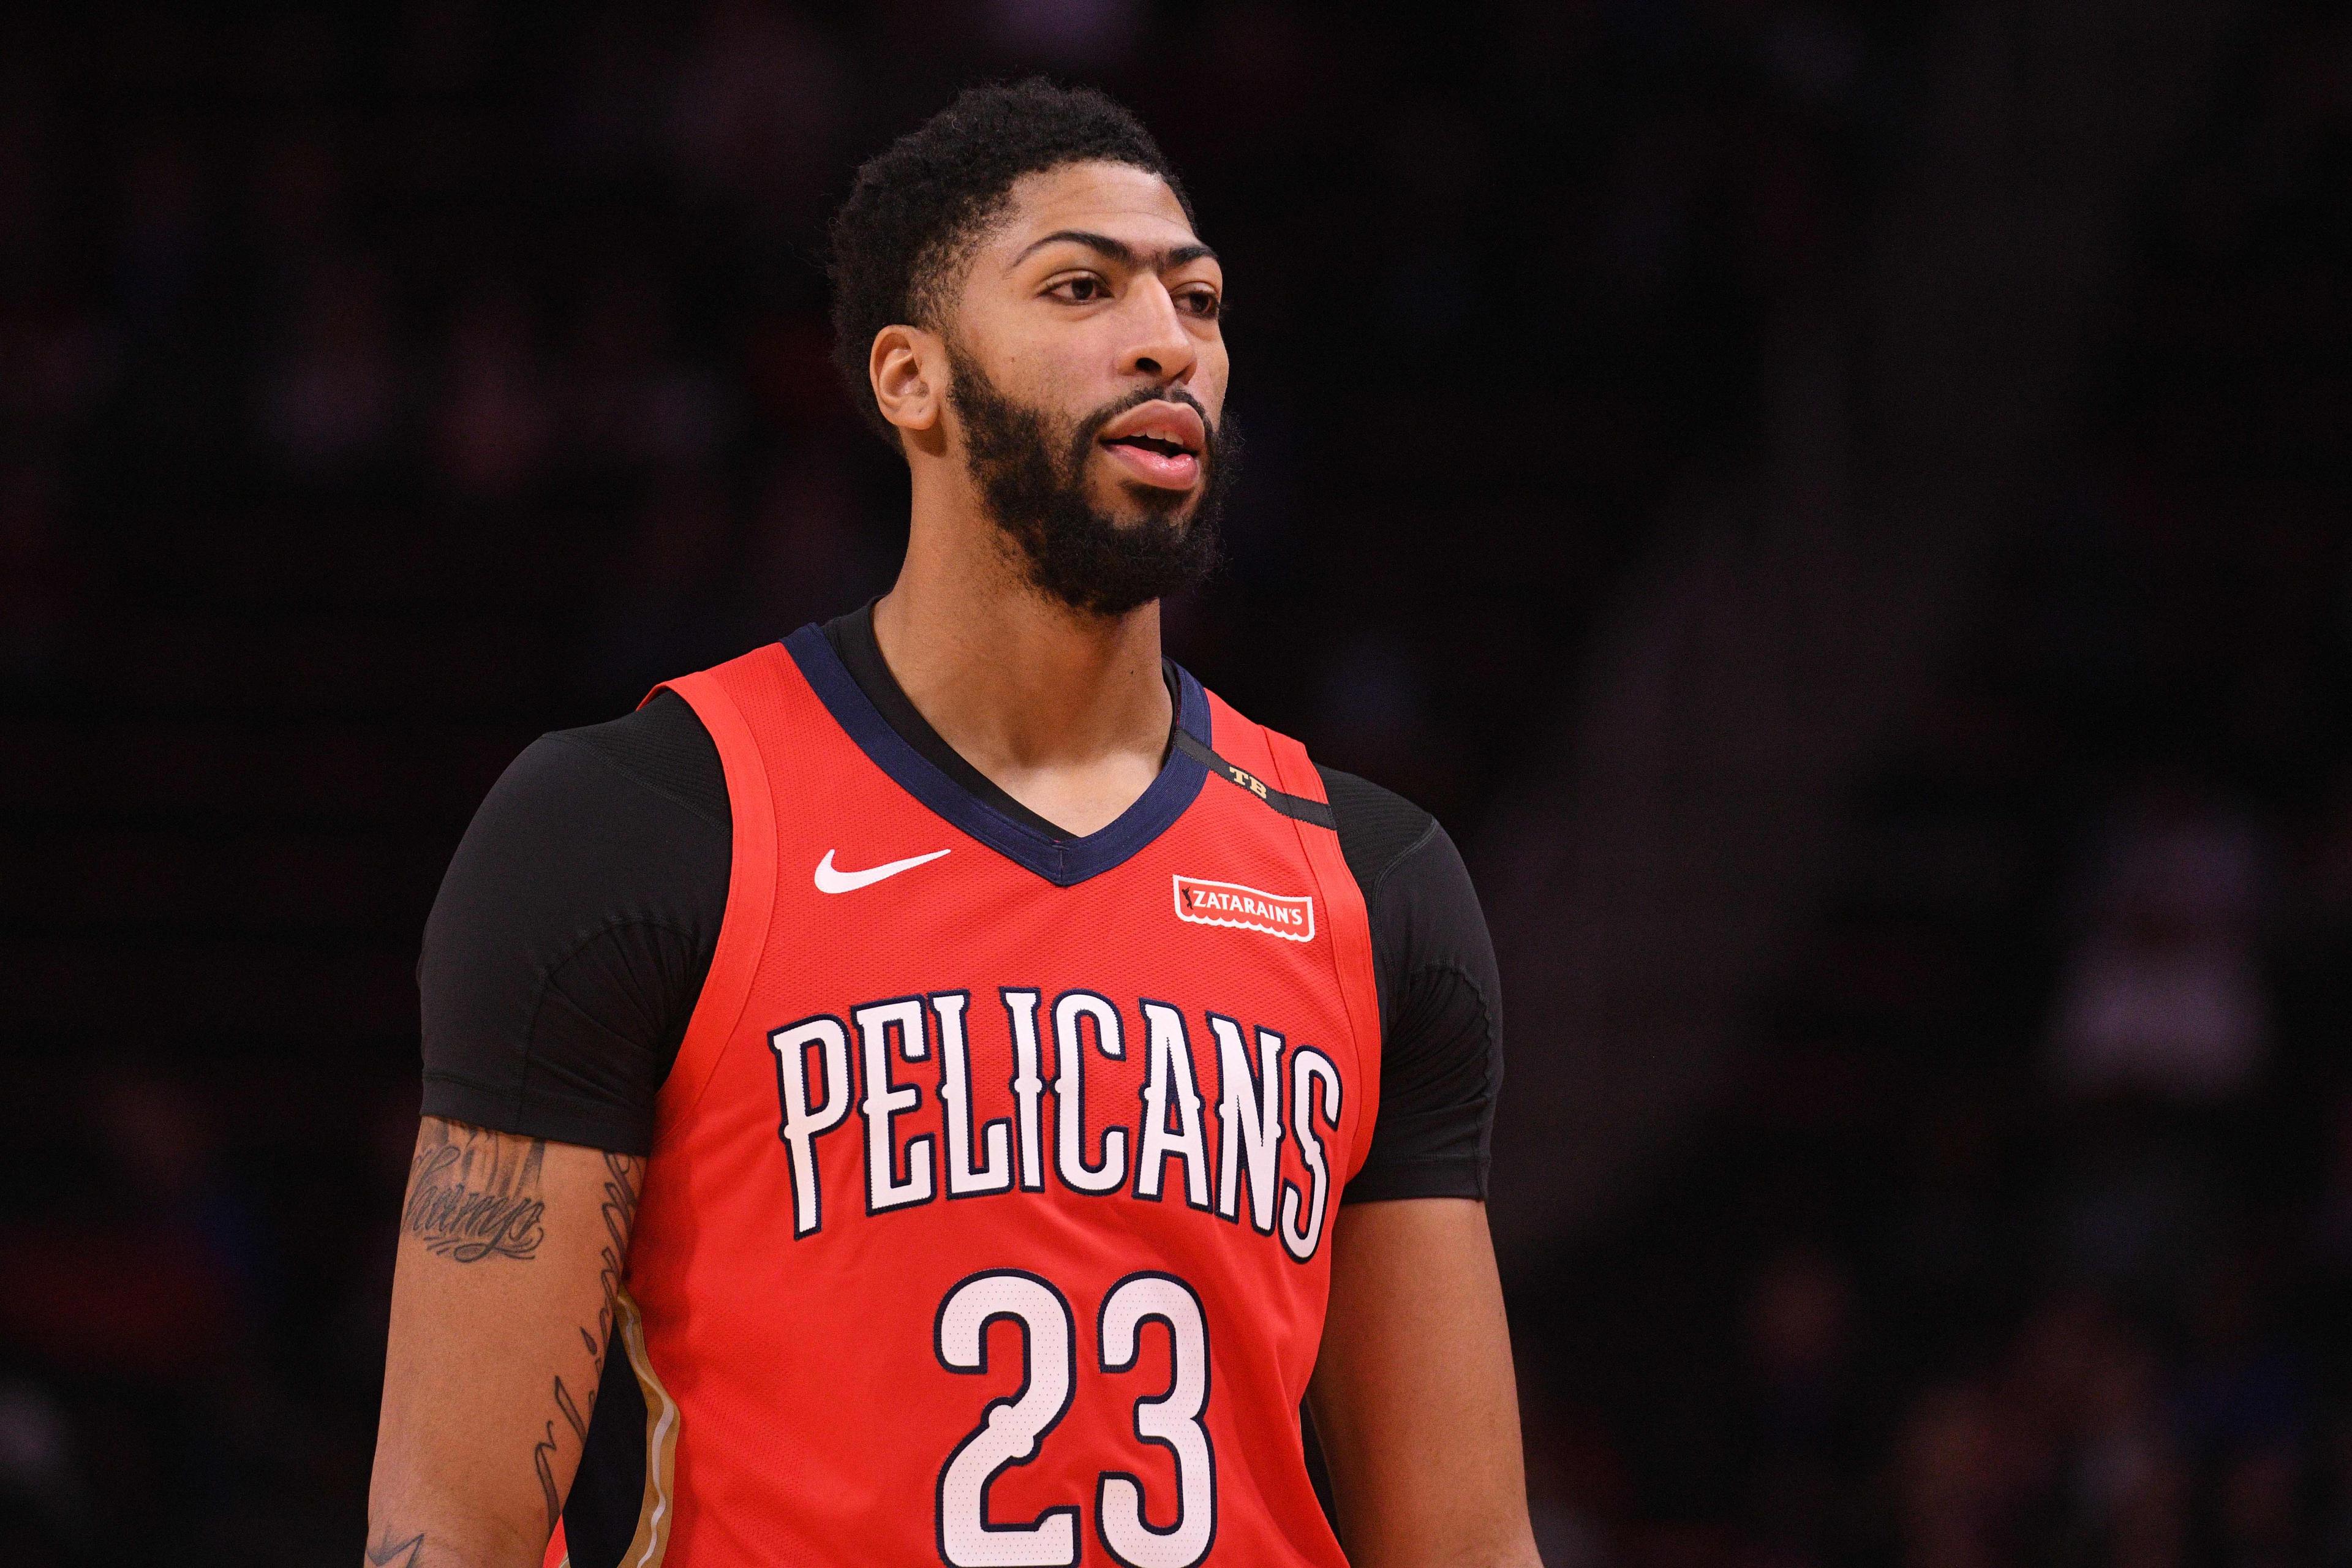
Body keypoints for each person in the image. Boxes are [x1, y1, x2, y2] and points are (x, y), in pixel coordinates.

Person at [366, 80, 1537, 1568]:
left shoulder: (1374, 884)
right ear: (909, 379)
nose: (1168, 337)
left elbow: (1464, 1540)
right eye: (1080, 286)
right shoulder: (644, 824)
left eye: (1198, 299)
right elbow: (451, 1518)